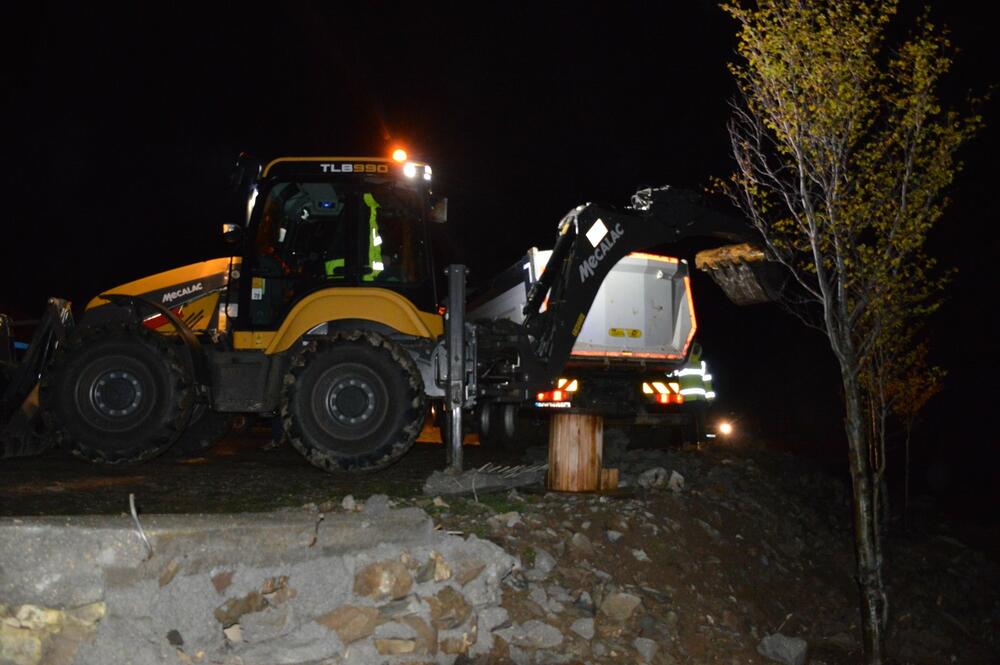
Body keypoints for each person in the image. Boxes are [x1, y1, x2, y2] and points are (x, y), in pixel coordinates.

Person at [675, 342, 716, 445]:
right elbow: (707, 382)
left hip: (687, 400)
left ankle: (690, 444)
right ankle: (701, 444)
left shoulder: (682, 364)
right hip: (700, 400)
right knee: (700, 423)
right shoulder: (701, 365)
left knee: (689, 423)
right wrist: (710, 398)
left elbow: (670, 373)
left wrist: (668, 368)